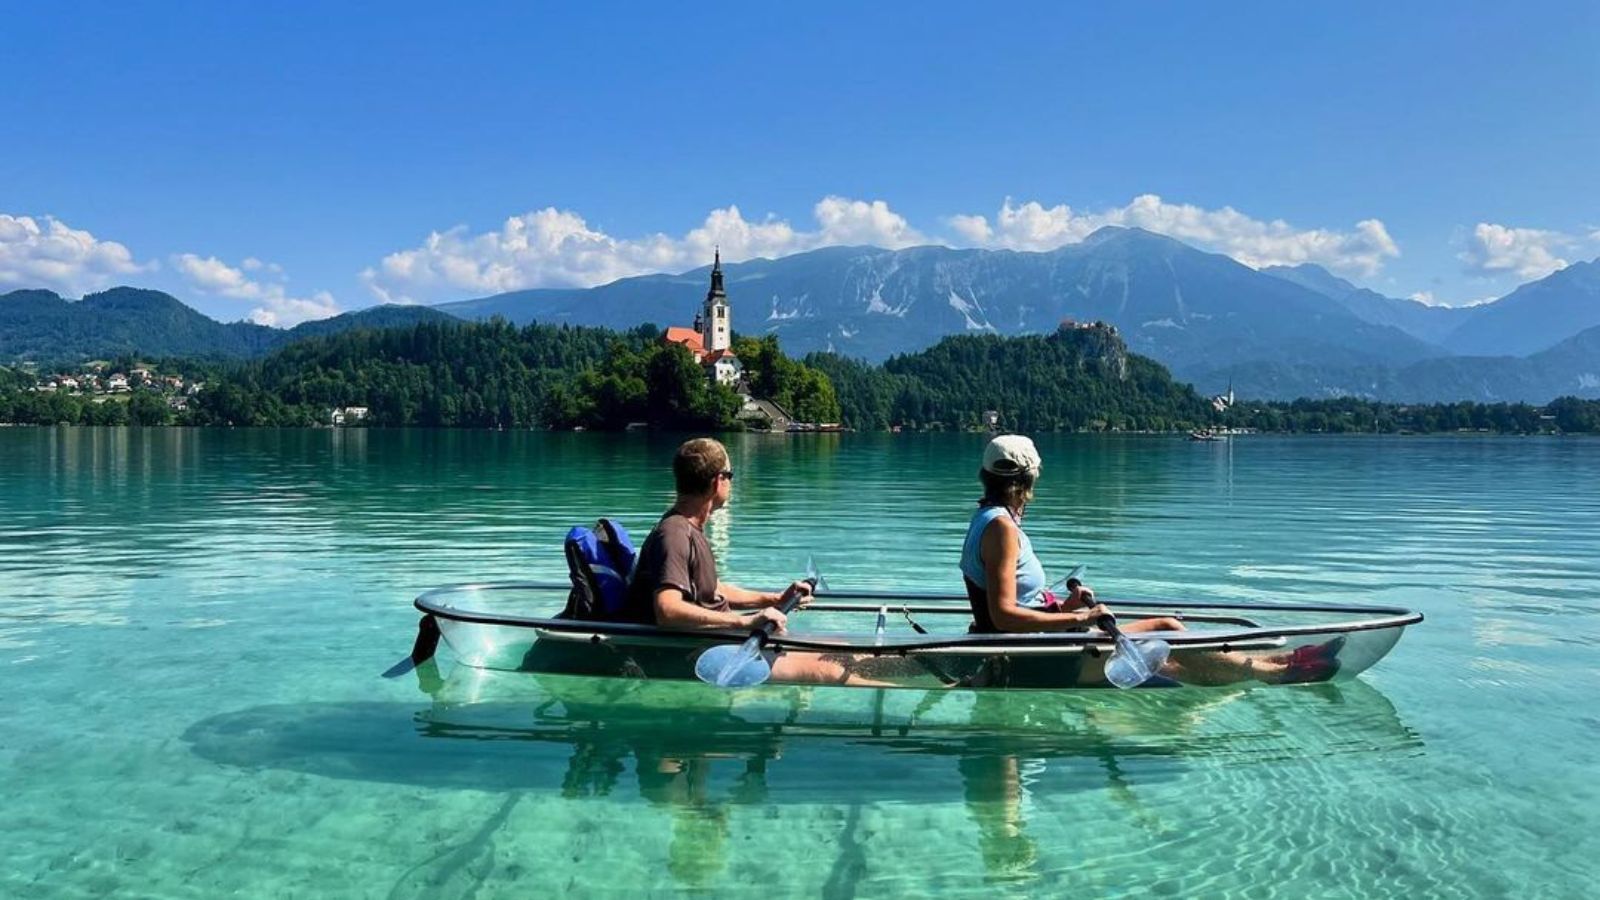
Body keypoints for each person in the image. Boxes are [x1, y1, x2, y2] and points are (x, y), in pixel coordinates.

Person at [960, 435, 1341, 684]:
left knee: (1174, 663)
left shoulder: (989, 520)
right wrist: (1081, 617)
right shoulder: (1001, 529)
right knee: (1169, 630)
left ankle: (1282, 661)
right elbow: (1004, 615)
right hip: (1033, 658)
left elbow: (1013, 605)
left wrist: (1064, 605)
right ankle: (1283, 673)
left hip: (1037, 645)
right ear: (1027, 481)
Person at [625, 437, 881, 685]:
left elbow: (712, 589)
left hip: (719, 640)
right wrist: (746, 621)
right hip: (698, 653)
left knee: (841, 649)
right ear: (718, 481)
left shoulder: (690, 529)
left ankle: (902, 668)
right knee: (826, 670)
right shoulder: (674, 534)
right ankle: (913, 719)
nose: (731, 482)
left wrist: (773, 599)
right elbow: (667, 610)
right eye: (731, 475)